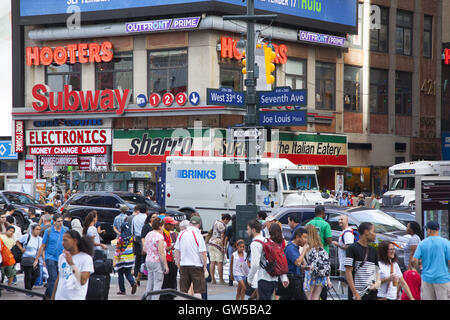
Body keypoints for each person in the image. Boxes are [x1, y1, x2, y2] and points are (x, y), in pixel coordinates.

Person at [246, 219, 288, 300]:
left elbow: (255, 264)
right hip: (274, 277)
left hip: (263, 278)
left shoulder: (255, 244)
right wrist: (283, 277)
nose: (247, 231)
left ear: (253, 230)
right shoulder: (267, 240)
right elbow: (277, 259)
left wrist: (249, 279)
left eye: (248, 229)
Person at [411, 221, 450, 300]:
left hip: (426, 279)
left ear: (429, 230)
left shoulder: (422, 243)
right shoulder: (446, 243)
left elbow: (414, 260)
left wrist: (418, 271)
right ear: (438, 230)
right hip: (442, 279)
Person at [51, 230, 94, 300]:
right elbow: (59, 278)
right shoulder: (62, 257)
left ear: (75, 241)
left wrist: (71, 263)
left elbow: (83, 281)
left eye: (65, 240)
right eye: (62, 240)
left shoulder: (86, 258)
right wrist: (53, 297)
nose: (62, 243)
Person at [174, 216, 208, 299]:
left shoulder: (181, 233)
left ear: (190, 224)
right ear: (199, 225)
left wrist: (178, 263)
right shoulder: (198, 235)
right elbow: (203, 253)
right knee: (197, 291)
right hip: (196, 265)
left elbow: (177, 251)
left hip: (184, 265)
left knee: (184, 291)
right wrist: (204, 265)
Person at [35, 213, 68, 299]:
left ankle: (47, 296)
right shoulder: (48, 231)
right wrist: (37, 259)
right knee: (53, 278)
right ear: (54, 222)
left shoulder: (66, 230)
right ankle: (54, 297)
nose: (60, 223)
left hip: (61, 258)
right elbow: (42, 246)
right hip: (50, 257)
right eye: (58, 221)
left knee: (58, 279)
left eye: (62, 221)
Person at [345, 222, 381, 300]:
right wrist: (355, 294)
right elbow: (348, 272)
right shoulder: (352, 248)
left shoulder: (373, 250)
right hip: (358, 294)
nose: (375, 234)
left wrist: (377, 282)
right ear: (366, 232)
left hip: (372, 293)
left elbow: (377, 270)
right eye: (373, 231)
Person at [306, 205, 332, 300]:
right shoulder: (325, 224)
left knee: (309, 293)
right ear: (323, 213)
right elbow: (329, 240)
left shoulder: (309, 223)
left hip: (309, 257)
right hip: (322, 257)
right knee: (319, 292)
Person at [278, 227, 308, 300]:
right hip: (292, 279)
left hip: (294, 279)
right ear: (297, 237)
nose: (306, 240)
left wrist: (303, 267)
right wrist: (304, 250)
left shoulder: (295, 247)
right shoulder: (291, 247)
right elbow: (297, 262)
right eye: (304, 237)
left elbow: (295, 263)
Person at [143, 217, 169, 300]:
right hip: (157, 261)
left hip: (149, 259)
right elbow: (161, 253)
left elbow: (144, 249)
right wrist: (166, 266)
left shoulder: (148, 234)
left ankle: (147, 298)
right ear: (160, 226)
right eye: (163, 226)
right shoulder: (159, 237)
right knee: (158, 284)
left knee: (150, 283)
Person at [303, 224, 330, 300]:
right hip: (321, 275)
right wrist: (328, 279)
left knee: (307, 297)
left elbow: (304, 261)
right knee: (316, 297)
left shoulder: (307, 247)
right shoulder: (320, 247)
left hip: (310, 274)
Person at [16, 224, 42, 295]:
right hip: (26, 258)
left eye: (39, 230)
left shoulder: (40, 239)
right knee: (28, 275)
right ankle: (28, 290)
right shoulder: (27, 236)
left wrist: (39, 259)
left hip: (35, 258)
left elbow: (40, 249)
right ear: (33, 230)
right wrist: (21, 249)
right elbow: (17, 242)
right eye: (37, 229)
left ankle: (29, 288)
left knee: (36, 274)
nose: (38, 231)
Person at [114, 216, 137, 296]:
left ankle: (122, 290)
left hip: (122, 259)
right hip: (130, 258)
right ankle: (133, 283)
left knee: (120, 274)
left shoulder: (121, 238)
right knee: (128, 273)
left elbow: (118, 251)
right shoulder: (131, 237)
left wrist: (115, 261)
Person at [208, 213, 231, 284]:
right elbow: (222, 236)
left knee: (212, 262)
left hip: (211, 242)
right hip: (217, 244)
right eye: (228, 221)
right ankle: (221, 280)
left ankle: (213, 279)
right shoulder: (222, 225)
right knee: (219, 262)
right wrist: (223, 247)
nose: (228, 222)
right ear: (225, 219)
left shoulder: (216, 222)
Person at [332, 215, 355, 286]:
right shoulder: (344, 232)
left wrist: (337, 244)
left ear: (347, 221)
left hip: (346, 264)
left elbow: (349, 246)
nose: (340, 221)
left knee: (345, 284)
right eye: (339, 220)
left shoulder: (347, 233)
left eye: (342, 219)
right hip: (344, 263)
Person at [160, 216, 178, 300]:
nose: (173, 226)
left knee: (171, 279)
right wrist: (172, 246)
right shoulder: (162, 234)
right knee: (166, 281)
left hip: (170, 259)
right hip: (165, 260)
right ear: (166, 225)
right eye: (171, 225)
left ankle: (170, 295)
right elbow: (163, 249)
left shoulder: (168, 233)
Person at [132, 204, 148, 280]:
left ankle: (136, 272)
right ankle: (143, 274)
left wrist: (133, 236)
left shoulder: (135, 217)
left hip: (136, 237)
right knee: (144, 256)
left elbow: (132, 228)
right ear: (146, 210)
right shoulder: (146, 218)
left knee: (137, 257)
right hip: (143, 237)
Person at [224, 215, 237, 286]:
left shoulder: (229, 227)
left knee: (231, 263)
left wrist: (225, 247)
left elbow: (226, 238)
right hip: (239, 248)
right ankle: (240, 278)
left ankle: (230, 279)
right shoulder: (240, 227)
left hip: (231, 247)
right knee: (240, 262)